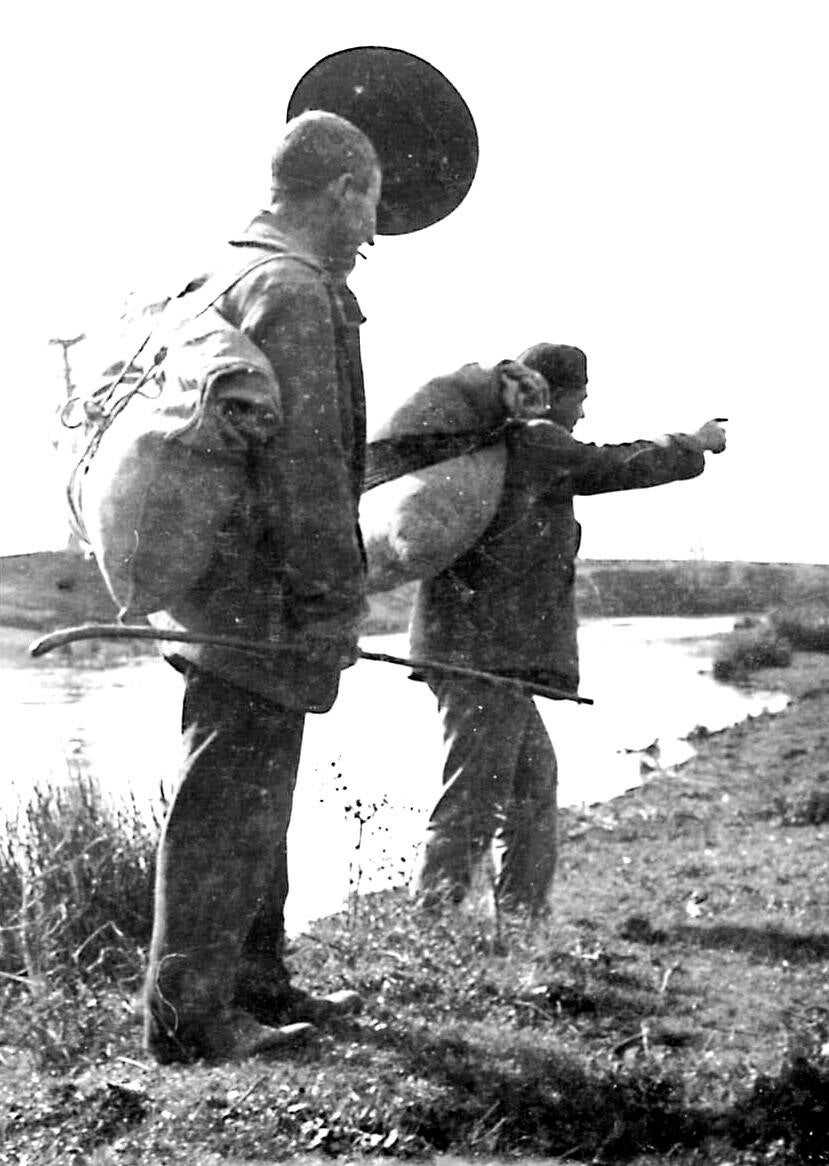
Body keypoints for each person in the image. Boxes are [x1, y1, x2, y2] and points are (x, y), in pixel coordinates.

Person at [142, 110, 382, 1064]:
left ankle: (255, 982)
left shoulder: (229, 271)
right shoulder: (290, 288)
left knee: (251, 795)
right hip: (263, 598)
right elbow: (307, 471)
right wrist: (334, 602)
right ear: (344, 190)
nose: (372, 234)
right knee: (227, 803)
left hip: (212, 593)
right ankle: (190, 1024)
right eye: (370, 208)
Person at [409, 343, 727, 917]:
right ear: (554, 395)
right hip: (480, 657)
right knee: (474, 796)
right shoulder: (535, 441)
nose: (583, 413)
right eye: (580, 397)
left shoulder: (508, 441)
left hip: (476, 651)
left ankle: (523, 920)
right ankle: (433, 924)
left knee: (530, 788)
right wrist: (692, 444)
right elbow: (612, 465)